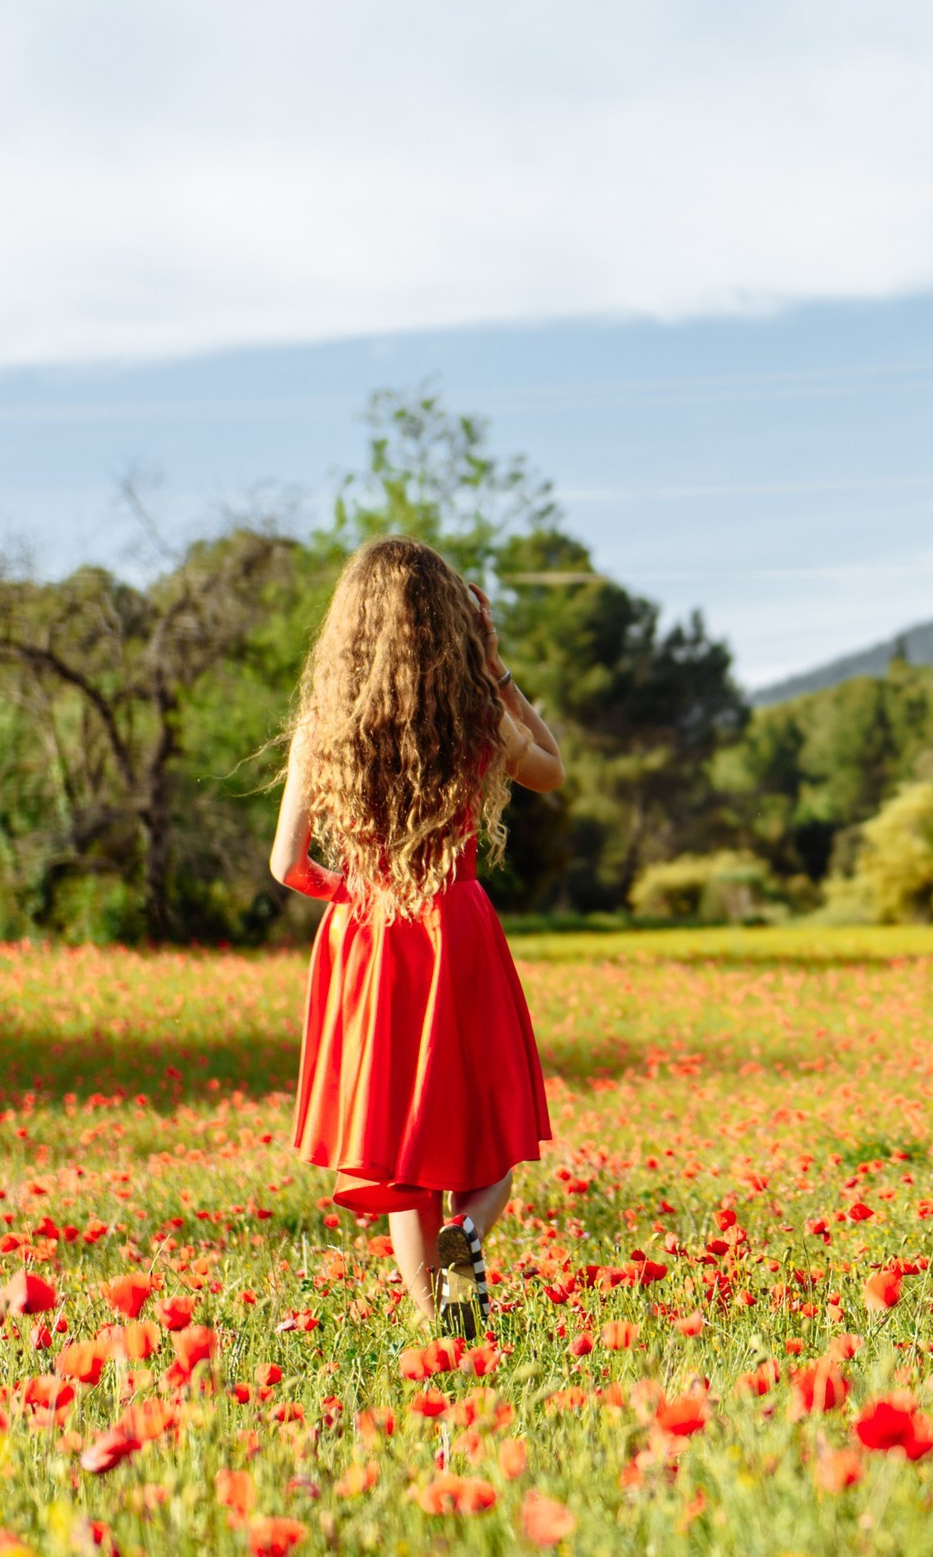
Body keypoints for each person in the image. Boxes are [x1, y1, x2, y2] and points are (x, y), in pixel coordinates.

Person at [267, 535, 563, 1337]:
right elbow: (552, 768)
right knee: (490, 1140)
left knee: (405, 1159)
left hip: (370, 943)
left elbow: (286, 864)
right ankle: (467, 1249)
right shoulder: (471, 721)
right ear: (447, 625)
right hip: (456, 929)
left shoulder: (321, 729)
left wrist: (359, 896)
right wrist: (497, 670)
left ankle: (443, 1331)